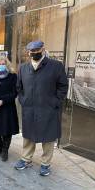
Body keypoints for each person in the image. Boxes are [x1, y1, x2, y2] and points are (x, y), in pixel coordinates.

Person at [14, 41, 68, 176]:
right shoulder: (24, 68)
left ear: (43, 49)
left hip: (48, 109)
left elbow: (63, 86)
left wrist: (55, 102)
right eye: (31, 51)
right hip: (29, 109)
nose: (33, 53)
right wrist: (23, 100)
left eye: (37, 50)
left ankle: (45, 164)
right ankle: (26, 159)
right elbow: (19, 87)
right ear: (28, 52)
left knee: (48, 138)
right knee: (28, 136)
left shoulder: (55, 66)